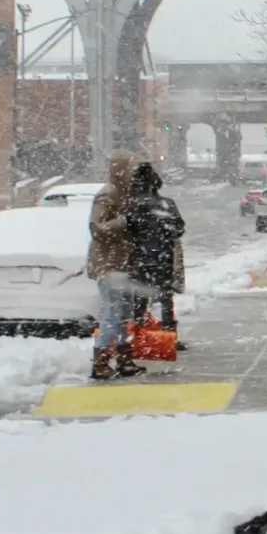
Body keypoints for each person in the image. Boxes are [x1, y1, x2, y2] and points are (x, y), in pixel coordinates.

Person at [88, 150, 146, 380]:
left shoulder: (125, 193)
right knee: (113, 314)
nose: (134, 173)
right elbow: (97, 227)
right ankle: (100, 362)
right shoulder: (108, 195)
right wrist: (125, 221)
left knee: (123, 313)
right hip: (109, 264)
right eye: (131, 168)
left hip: (122, 264)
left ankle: (124, 358)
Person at [127, 162, 188, 351]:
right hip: (163, 257)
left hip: (140, 258)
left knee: (140, 298)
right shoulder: (166, 204)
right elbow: (179, 228)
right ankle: (168, 336)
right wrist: (165, 236)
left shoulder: (132, 205)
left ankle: (137, 335)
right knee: (165, 298)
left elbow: (127, 231)